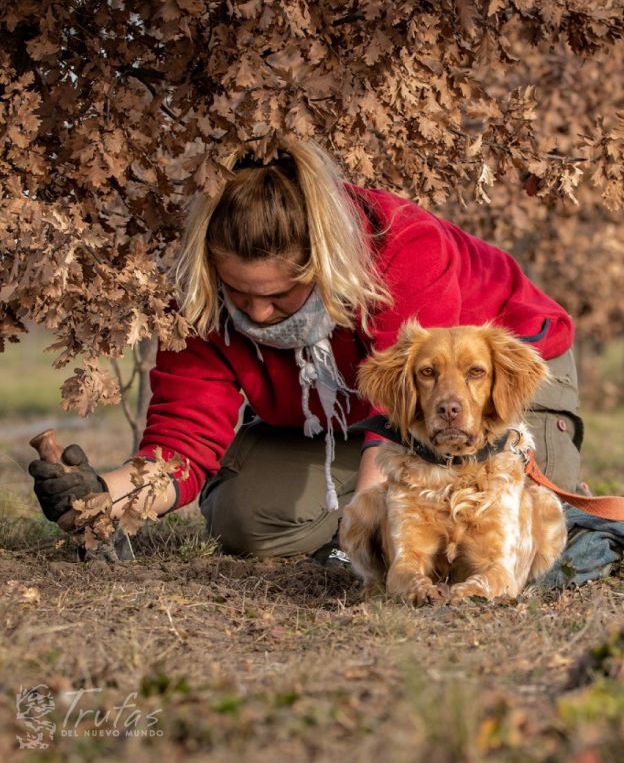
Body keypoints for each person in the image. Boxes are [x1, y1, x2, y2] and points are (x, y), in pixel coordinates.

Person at [29, 140, 584, 571]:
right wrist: (110, 492)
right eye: (239, 293)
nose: (259, 314)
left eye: (278, 295)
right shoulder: (198, 295)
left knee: (478, 531)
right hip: (349, 415)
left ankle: (542, 498)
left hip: (493, 387)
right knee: (241, 515)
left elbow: (408, 414)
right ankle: (423, 508)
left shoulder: (402, 247)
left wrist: (374, 527)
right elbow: (184, 437)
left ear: (322, 266)